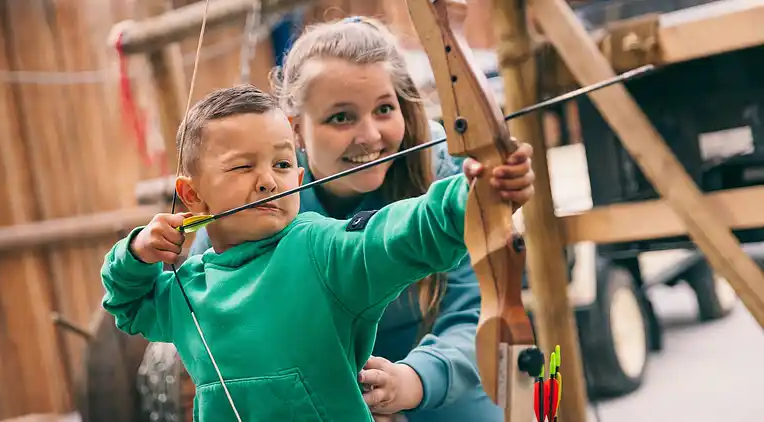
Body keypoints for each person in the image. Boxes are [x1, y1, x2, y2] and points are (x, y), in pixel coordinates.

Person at [100, 84, 525, 421]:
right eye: (242, 167)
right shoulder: (187, 289)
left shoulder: (321, 250)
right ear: (192, 195)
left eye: (282, 165)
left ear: (298, 177)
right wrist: (136, 253)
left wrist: (473, 194)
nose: (268, 180)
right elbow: (128, 305)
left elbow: (397, 235)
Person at [187, 16, 536, 422]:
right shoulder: (261, 190)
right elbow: (211, 318)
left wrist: (411, 382)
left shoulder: (439, 166)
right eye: (341, 117)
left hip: (435, 380)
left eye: (384, 109)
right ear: (296, 129)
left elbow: (473, 316)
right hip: (306, 394)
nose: (370, 135)